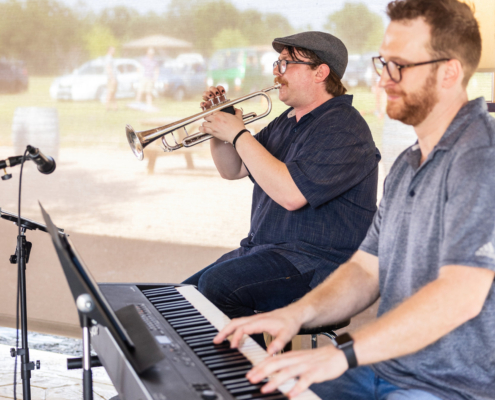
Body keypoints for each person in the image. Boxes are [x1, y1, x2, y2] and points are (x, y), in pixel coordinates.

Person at [213, 1, 495, 399]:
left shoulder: (483, 158)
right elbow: (365, 270)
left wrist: (341, 357)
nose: (383, 81)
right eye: (383, 64)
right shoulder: (409, 164)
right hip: (383, 368)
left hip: (449, 387)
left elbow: (460, 295)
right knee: (261, 390)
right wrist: (294, 315)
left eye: (400, 66)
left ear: (449, 71)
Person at [183, 31, 381, 346]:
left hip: (320, 266)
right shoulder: (287, 121)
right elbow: (232, 168)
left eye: (287, 63)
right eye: (278, 62)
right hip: (270, 252)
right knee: (184, 298)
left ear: (321, 72)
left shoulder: (344, 127)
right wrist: (218, 128)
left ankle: (252, 387)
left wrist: (238, 134)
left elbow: (291, 195)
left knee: (220, 286)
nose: (277, 71)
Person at [104, 46, 118, 111]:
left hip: (113, 78)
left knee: (113, 93)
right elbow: (108, 68)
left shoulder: (111, 58)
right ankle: (107, 107)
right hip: (111, 78)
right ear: (109, 50)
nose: (114, 51)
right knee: (110, 92)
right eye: (113, 50)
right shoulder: (108, 58)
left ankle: (115, 107)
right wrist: (112, 78)